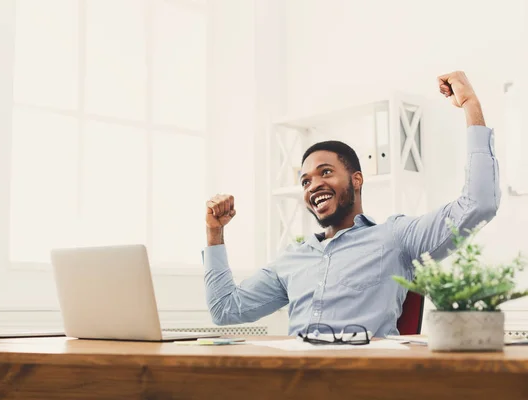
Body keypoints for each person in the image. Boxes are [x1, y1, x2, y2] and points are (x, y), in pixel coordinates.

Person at [203, 71, 500, 337]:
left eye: (326, 172)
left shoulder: (395, 237)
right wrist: (214, 233)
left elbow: (478, 204)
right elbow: (225, 310)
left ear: (356, 180)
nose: (314, 185)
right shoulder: (292, 259)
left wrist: (471, 105)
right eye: (305, 181)